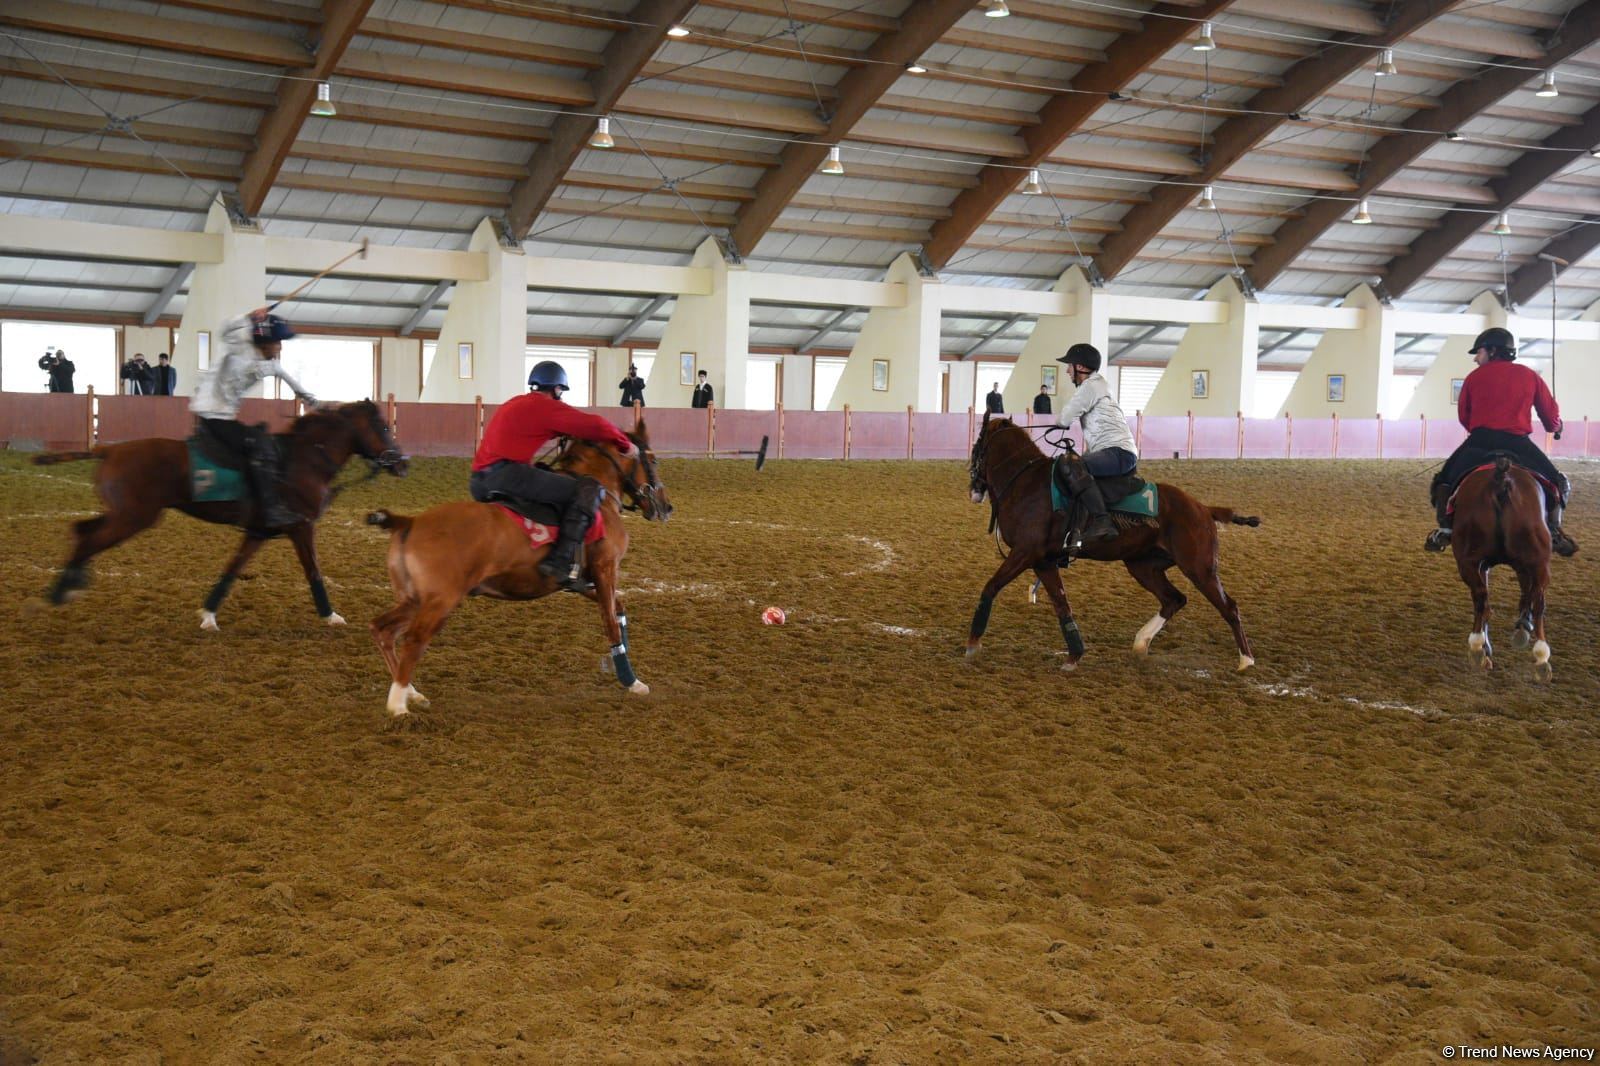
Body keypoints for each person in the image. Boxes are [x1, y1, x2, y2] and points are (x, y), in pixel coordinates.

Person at [472, 360, 636, 591]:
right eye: (561, 390)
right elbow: (595, 425)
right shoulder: (546, 407)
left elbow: (537, 428)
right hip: (507, 475)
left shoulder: (516, 403)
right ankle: (561, 561)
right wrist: (625, 443)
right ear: (557, 388)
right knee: (588, 488)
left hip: (480, 480)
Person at [1426, 328, 1575, 556]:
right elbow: (1550, 414)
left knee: (1444, 480)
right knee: (1557, 481)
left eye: (1479, 352)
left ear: (1493, 351)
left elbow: (1464, 415)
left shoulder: (1474, 377)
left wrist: (1480, 430)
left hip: (1480, 442)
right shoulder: (1530, 375)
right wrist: (1556, 428)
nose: (1476, 358)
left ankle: (1445, 528)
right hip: (1518, 443)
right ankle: (1554, 530)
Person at [190, 311, 317, 531]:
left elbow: (286, 376)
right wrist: (248, 317)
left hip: (225, 416)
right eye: (277, 342)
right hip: (212, 415)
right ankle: (269, 510)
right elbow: (225, 330)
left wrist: (314, 401)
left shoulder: (269, 363)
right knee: (260, 446)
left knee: (261, 439)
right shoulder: (238, 348)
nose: (280, 347)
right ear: (265, 342)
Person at [1054, 343, 1138, 545]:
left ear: (1081, 367)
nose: (1067, 370)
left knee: (1071, 465)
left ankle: (1102, 521)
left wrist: (1057, 423)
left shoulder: (1090, 386)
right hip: (1117, 452)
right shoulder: (1098, 384)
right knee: (1075, 466)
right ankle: (1075, 531)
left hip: (1118, 453)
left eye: (1070, 366)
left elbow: (1064, 419)